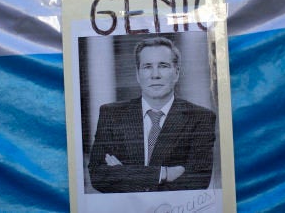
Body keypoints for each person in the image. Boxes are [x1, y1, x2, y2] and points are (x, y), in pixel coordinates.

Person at [88, 36, 216, 193]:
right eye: (147, 67)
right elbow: (98, 176)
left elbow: (196, 181)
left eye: (163, 66)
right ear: (137, 74)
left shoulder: (200, 118)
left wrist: (125, 173)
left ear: (176, 73)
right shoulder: (111, 115)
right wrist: (163, 173)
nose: (155, 75)